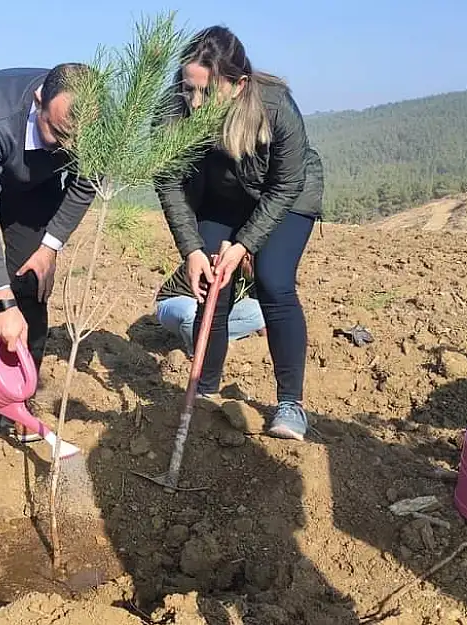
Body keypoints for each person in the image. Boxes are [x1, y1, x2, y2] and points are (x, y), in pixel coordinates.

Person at [156, 26, 324, 441]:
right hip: (218, 197)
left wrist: (247, 243)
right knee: (214, 284)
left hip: (285, 197)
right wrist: (192, 249)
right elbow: (169, 183)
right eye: (188, 88)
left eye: (206, 92)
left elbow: (285, 185)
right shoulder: (174, 108)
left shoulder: (274, 106)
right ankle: (206, 392)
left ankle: (290, 404)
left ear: (238, 84)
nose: (194, 103)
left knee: (273, 279)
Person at [0, 65, 96, 450]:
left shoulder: (91, 123)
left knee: (31, 284)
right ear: (38, 99)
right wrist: (1, 300)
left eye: (77, 139)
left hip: (35, 185)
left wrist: (50, 246)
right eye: (57, 133)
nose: (69, 147)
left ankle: (19, 398)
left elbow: (86, 183)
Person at [155, 258, 265, 357]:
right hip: (175, 304)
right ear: (247, 258)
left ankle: (213, 343)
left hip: (213, 312)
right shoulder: (220, 260)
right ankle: (197, 353)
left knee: (260, 312)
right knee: (193, 312)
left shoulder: (254, 276)